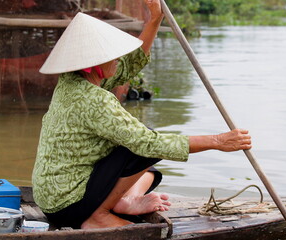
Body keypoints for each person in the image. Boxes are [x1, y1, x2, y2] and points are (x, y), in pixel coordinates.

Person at [32, 0, 252, 230]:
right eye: (112, 55)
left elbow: (128, 64)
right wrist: (217, 141)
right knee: (142, 149)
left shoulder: (70, 81)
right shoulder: (94, 100)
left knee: (147, 171)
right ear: (93, 64)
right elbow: (148, 144)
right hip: (69, 206)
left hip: (50, 199)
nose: (117, 59)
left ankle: (124, 201)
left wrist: (155, 19)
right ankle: (97, 216)